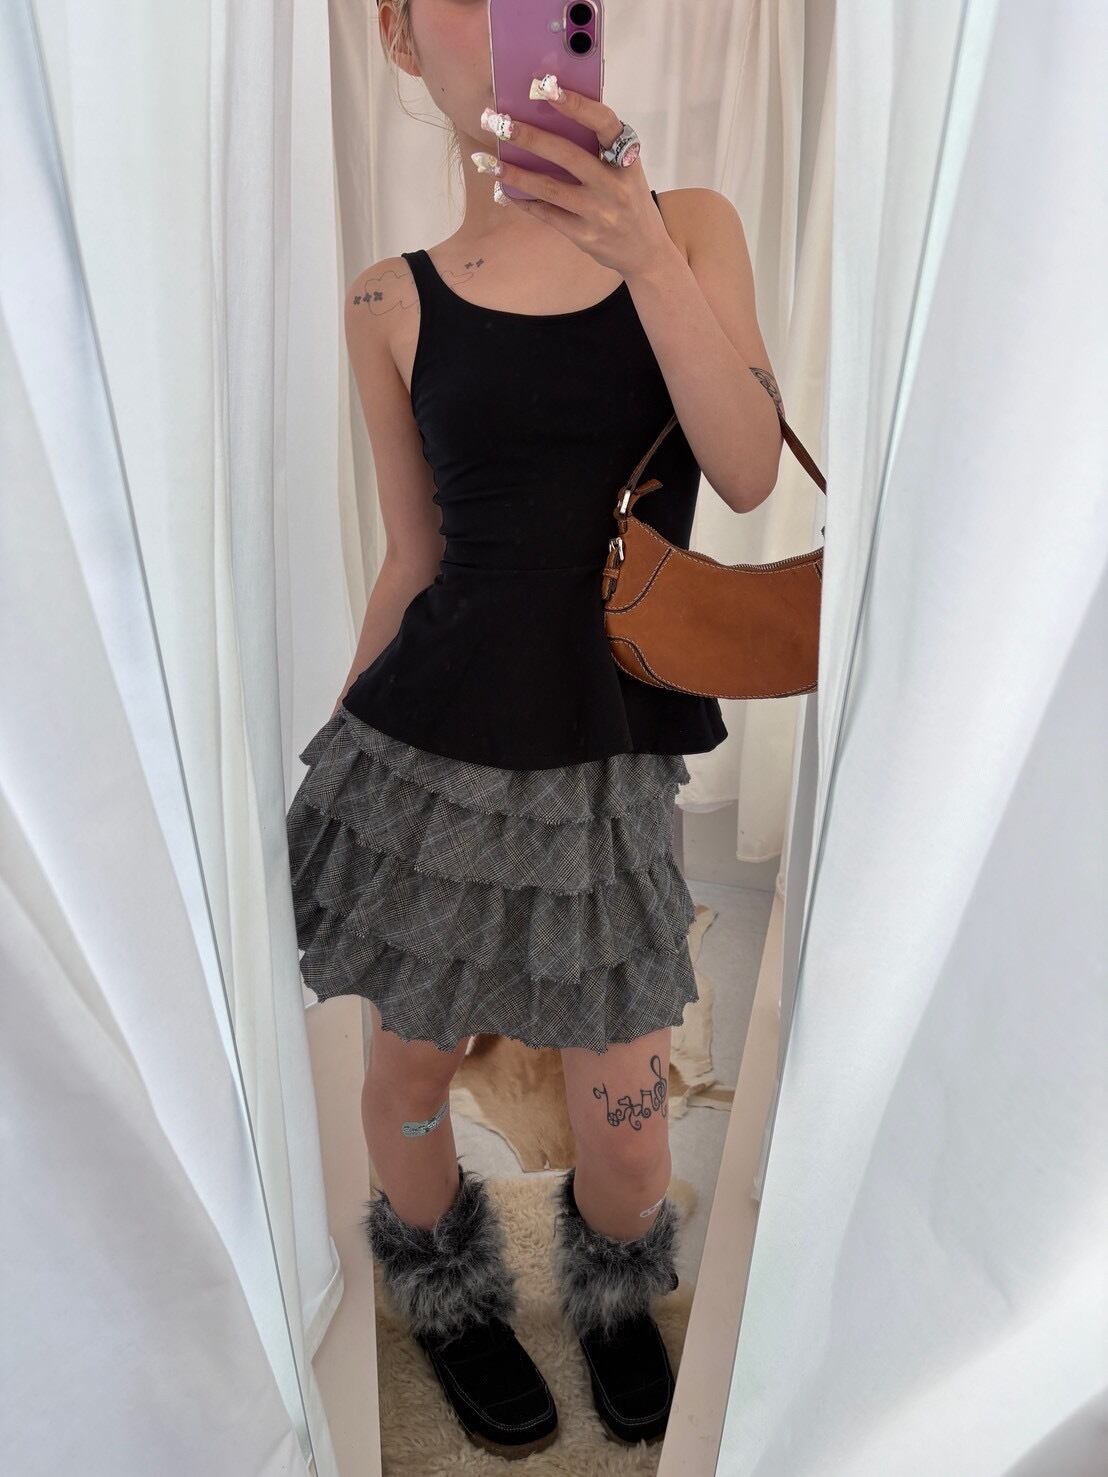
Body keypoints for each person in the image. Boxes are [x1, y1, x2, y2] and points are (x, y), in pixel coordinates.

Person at [285, 0, 785, 1458]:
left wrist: (641, 252)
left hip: (607, 761)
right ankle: (450, 1304)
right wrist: (339, 766)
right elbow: (415, 558)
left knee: (627, 1125)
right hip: (428, 758)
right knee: (408, 1076)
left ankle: (617, 1293)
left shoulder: (688, 226)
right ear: (400, 40)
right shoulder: (387, 299)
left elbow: (749, 470)